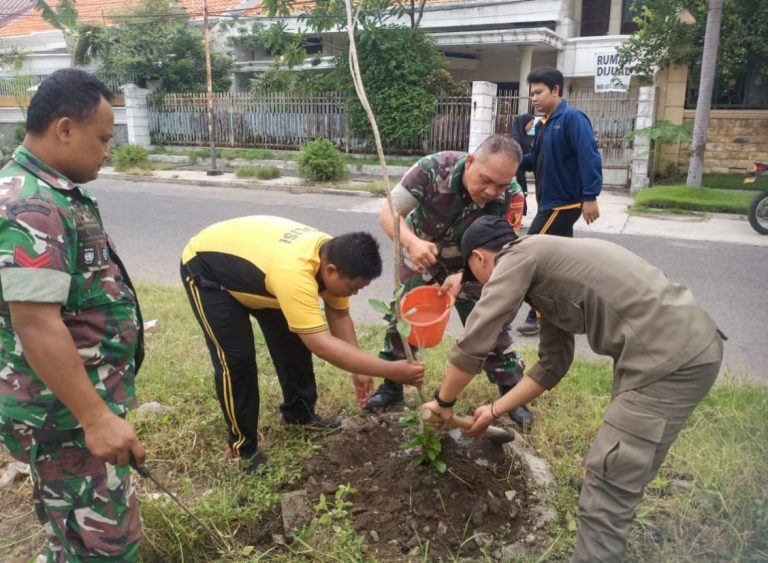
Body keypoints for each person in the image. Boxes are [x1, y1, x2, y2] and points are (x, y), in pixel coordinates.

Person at [424, 216, 724, 563]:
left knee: (607, 488)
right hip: (683, 348)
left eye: (476, 276)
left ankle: (608, 501)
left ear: (479, 257)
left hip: (668, 361)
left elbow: (476, 338)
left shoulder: (517, 258)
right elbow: (553, 365)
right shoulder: (546, 266)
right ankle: (617, 488)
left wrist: (444, 402)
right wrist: (494, 410)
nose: (483, 285)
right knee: (621, 466)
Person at [0, 69, 145, 561]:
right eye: (103, 138)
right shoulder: (32, 205)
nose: (108, 150)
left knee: (75, 540)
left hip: (72, 411)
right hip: (62, 417)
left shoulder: (55, 193)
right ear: (65, 129)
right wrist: (95, 416)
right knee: (103, 548)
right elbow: (35, 322)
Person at [180, 216, 425, 473]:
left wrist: (360, 369)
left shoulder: (332, 257)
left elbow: (339, 316)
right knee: (237, 361)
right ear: (330, 270)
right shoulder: (295, 274)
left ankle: (299, 416)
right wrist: (389, 370)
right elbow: (321, 345)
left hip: (262, 272)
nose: (354, 294)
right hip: (209, 271)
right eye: (352, 288)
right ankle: (244, 448)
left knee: (293, 340)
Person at [366, 134, 531, 426]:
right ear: (470, 163)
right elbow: (388, 215)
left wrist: (462, 276)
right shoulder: (432, 169)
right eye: (486, 180)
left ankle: (511, 392)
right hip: (421, 254)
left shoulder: (512, 197)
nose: (493, 191)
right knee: (403, 319)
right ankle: (392, 386)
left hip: (473, 266)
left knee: (490, 324)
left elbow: (502, 250)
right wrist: (412, 243)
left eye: (502, 185)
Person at [517, 67, 603, 336]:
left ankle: (537, 313)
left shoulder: (572, 119)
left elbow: (588, 157)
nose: (534, 98)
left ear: (556, 90)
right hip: (549, 203)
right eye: (531, 94)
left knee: (528, 253)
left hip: (562, 204)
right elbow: (533, 160)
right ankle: (576, 307)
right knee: (561, 262)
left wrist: (590, 197)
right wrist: (509, 159)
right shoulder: (544, 124)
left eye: (539, 92)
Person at [508, 113, 535, 199]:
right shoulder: (515, 138)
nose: (531, 127)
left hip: (521, 173)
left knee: (522, 197)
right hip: (515, 174)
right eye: (530, 124)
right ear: (524, 123)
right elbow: (513, 156)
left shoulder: (525, 136)